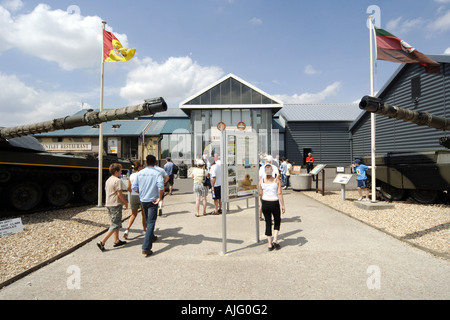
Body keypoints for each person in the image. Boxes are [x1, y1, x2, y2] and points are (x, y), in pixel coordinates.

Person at [132, 155, 164, 257]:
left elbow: (134, 187)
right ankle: (146, 247)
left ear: (146, 162)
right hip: (153, 200)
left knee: (147, 219)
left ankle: (152, 236)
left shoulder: (139, 173)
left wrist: (140, 193)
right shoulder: (157, 173)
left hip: (143, 199)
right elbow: (161, 186)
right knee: (151, 222)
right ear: (155, 162)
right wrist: (159, 198)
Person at [97, 163, 128, 252]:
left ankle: (116, 240)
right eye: (120, 171)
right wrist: (125, 202)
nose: (121, 172)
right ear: (116, 171)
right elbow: (119, 194)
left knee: (115, 222)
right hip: (115, 204)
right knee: (115, 224)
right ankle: (102, 242)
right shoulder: (117, 181)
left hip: (109, 204)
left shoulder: (108, 180)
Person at [259, 164, 285, 251]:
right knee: (277, 220)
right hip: (274, 202)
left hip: (265, 202)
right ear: (272, 171)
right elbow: (280, 193)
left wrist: (262, 202)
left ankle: (269, 244)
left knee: (268, 222)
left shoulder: (261, 181)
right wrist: (283, 205)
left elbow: (261, 193)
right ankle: (275, 239)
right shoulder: (276, 181)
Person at [124, 161, 145, 239]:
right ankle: (144, 230)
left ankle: (127, 230)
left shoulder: (131, 176)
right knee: (144, 215)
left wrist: (132, 192)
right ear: (139, 167)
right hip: (141, 196)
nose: (142, 167)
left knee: (133, 214)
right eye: (142, 166)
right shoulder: (142, 175)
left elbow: (128, 188)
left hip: (133, 196)